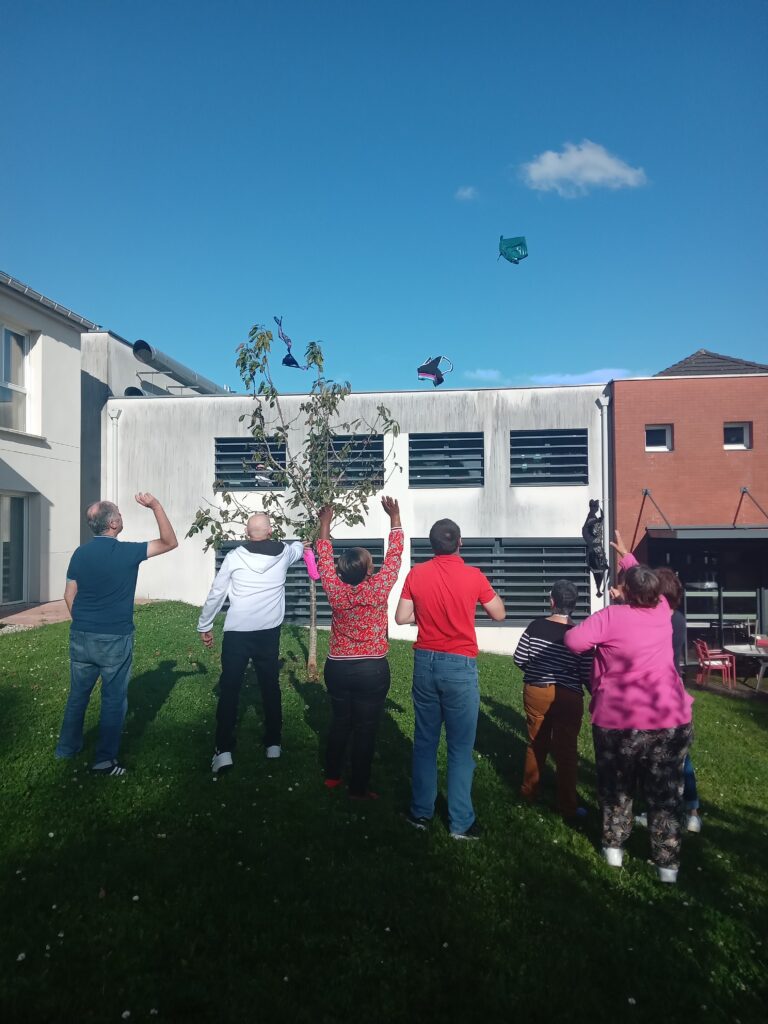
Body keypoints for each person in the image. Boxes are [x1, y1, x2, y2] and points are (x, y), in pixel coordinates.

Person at [564, 540, 694, 883]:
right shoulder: (665, 609)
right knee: (666, 793)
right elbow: (648, 584)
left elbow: (574, 642)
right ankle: (667, 866)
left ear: (628, 593)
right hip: (670, 718)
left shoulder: (611, 616)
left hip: (619, 721)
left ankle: (614, 850)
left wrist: (615, 608)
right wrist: (629, 559)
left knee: (617, 786)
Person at [394, 519, 505, 840]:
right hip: (459, 666)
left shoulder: (417, 574)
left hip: (424, 663)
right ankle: (460, 823)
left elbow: (401, 617)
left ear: (432, 545)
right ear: (460, 543)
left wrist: (426, 613)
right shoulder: (473, 575)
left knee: (425, 742)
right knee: (459, 747)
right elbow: (499, 613)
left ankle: (420, 814)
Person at [55, 493, 178, 776]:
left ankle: (65, 750)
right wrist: (156, 506)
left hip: (81, 635)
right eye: (120, 514)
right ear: (112, 523)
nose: (122, 518)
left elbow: (68, 593)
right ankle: (104, 761)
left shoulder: (80, 553)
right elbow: (170, 542)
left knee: (77, 697)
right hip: (115, 638)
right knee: (113, 700)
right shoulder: (127, 552)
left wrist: (85, 622)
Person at [198, 512, 305, 773]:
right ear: (270, 531)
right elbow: (299, 548)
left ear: (247, 534)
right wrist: (304, 545)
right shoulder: (284, 554)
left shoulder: (235, 557)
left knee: (230, 689)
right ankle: (273, 744)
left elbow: (217, 591)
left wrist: (205, 624)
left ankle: (223, 751)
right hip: (268, 633)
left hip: (237, 632)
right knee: (270, 687)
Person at [315, 496, 404, 798]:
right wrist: (395, 517)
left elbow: (323, 558)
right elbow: (396, 556)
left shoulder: (334, 588)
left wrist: (325, 523)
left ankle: (331, 776)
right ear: (368, 569)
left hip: (337, 667)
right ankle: (358, 787)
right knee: (365, 728)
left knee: (341, 721)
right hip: (371, 669)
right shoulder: (379, 587)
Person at [622, 557, 702, 834]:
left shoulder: (660, 621)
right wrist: (628, 560)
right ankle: (692, 809)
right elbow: (644, 583)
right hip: (675, 694)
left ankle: (656, 810)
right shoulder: (675, 617)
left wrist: (624, 600)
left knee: (652, 756)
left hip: (655, 695)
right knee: (680, 755)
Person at [513, 579, 591, 821]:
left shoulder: (535, 627)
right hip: (568, 695)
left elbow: (519, 658)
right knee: (567, 751)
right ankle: (567, 804)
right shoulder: (581, 635)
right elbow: (588, 672)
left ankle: (529, 793)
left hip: (537, 690)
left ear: (551, 601)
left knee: (536, 742)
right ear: (574, 605)